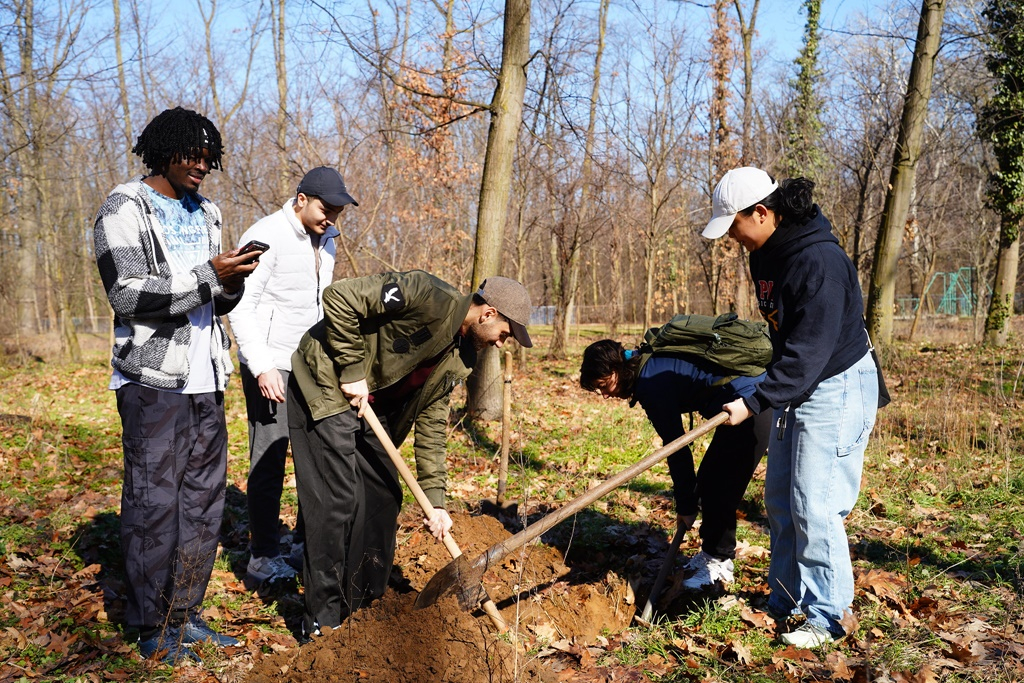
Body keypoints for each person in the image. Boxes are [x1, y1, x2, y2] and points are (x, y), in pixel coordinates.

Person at [93, 107, 261, 663]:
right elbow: (129, 294)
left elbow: (210, 299)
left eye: (209, 158)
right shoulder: (124, 207)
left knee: (204, 502)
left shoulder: (208, 211)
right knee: (153, 501)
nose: (202, 167)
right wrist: (211, 275)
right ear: (164, 150)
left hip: (207, 374)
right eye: (193, 155)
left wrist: (233, 282)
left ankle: (184, 612)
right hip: (152, 379)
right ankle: (150, 624)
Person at [287, 271, 533, 638]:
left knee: (384, 495)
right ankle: (322, 618)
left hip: (370, 406)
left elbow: (432, 421)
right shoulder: (424, 293)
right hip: (326, 382)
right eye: (505, 332)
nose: (502, 343)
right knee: (335, 500)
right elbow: (338, 297)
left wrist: (435, 501)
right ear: (488, 313)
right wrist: (353, 369)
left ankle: (365, 608)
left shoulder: (464, 357)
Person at [704, 167, 879, 648]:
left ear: (762, 213)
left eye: (735, 226)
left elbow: (810, 351)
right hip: (798, 382)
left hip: (837, 384)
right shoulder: (766, 254)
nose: (733, 239)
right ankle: (785, 598)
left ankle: (828, 617)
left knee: (814, 503)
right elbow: (785, 340)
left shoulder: (819, 262)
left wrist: (755, 400)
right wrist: (767, 388)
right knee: (780, 499)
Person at [228, 167, 358, 591]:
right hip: (273, 364)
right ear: (301, 198)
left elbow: (323, 307)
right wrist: (262, 364)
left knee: (317, 453)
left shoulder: (329, 240)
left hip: (313, 364)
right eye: (326, 209)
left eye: (338, 213)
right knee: (269, 457)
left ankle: (303, 543)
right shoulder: (266, 235)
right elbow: (240, 307)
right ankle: (263, 557)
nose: (332, 219)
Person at [579, 338, 770, 591]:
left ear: (616, 369)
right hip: (744, 399)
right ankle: (712, 553)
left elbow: (676, 447)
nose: (605, 394)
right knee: (710, 480)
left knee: (718, 485)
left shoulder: (650, 383)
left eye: (605, 385)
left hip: (752, 405)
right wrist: (688, 499)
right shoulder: (648, 363)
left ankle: (719, 563)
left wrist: (686, 505)